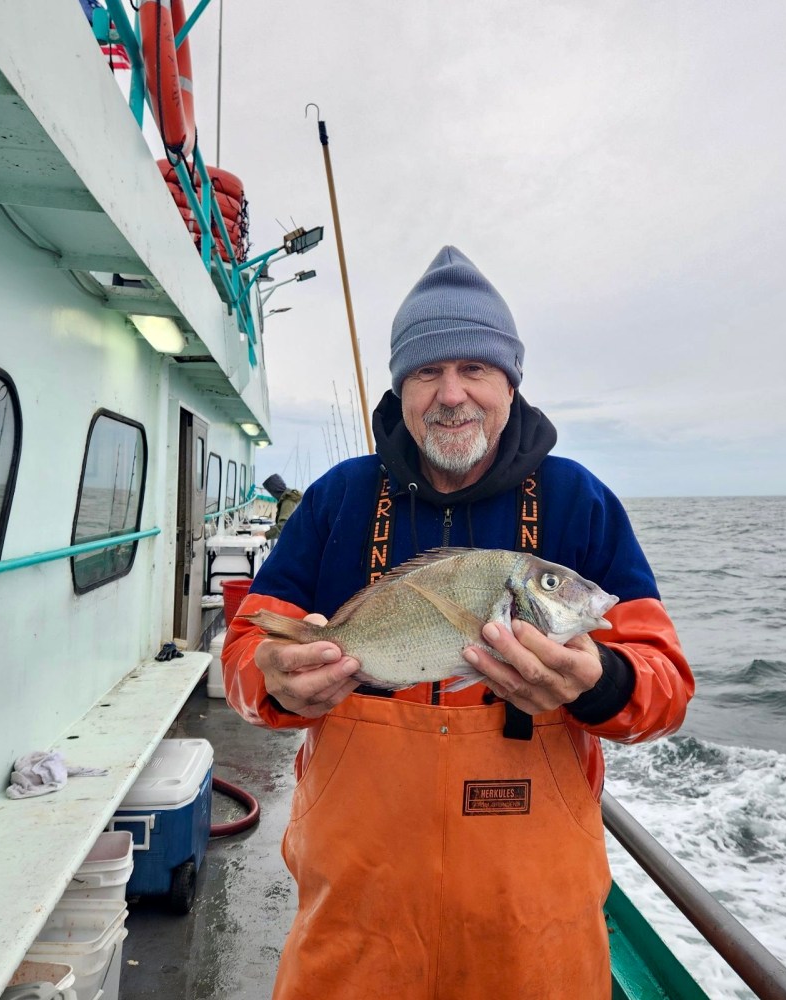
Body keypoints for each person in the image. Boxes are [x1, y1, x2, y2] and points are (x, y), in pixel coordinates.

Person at [222, 246, 694, 1000]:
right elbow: (247, 652)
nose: (451, 395)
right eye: (426, 372)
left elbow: (665, 688)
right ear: (401, 390)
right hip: (356, 918)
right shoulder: (339, 498)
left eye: (474, 369)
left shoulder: (580, 502)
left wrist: (600, 682)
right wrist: (272, 683)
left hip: (532, 928)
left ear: (510, 384)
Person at [261, 473, 302, 540]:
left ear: (275, 490)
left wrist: (264, 534)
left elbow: (283, 527)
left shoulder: (289, 502)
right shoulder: (293, 498)